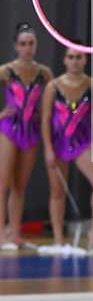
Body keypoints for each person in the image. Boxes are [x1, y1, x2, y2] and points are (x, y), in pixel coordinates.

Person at [41, 44, 93, 251]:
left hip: (82, 143)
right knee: (57, 191)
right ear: (64, 60)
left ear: (85, 60)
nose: (75, 61)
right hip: (58, 142)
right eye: (70, 57)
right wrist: (48, 148)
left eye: (79, 57)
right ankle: (58, 239)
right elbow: (45, 119)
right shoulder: (53, 86)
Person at [0, 22, 52, 250]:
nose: (27, 48)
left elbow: (52, 101)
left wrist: (44, 113)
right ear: (15, 46)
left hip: (31, 130)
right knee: (3, 183)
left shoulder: (44, 73)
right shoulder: (6, 71)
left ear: (36, 45)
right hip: (9, 128)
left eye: (31, 43)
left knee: (20, 185)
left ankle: (15, 233)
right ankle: (1, 234)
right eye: (23, 44)